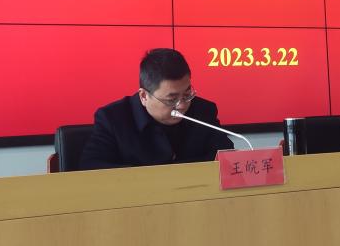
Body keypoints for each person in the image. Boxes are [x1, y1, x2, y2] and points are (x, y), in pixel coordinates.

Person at [82, 48, 232, 169]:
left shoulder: (204, 111)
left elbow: (226, 158)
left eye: (187, 94)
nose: (182, 105)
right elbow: (92, 167)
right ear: (144, 96)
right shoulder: (113, 119)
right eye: (171, 99)